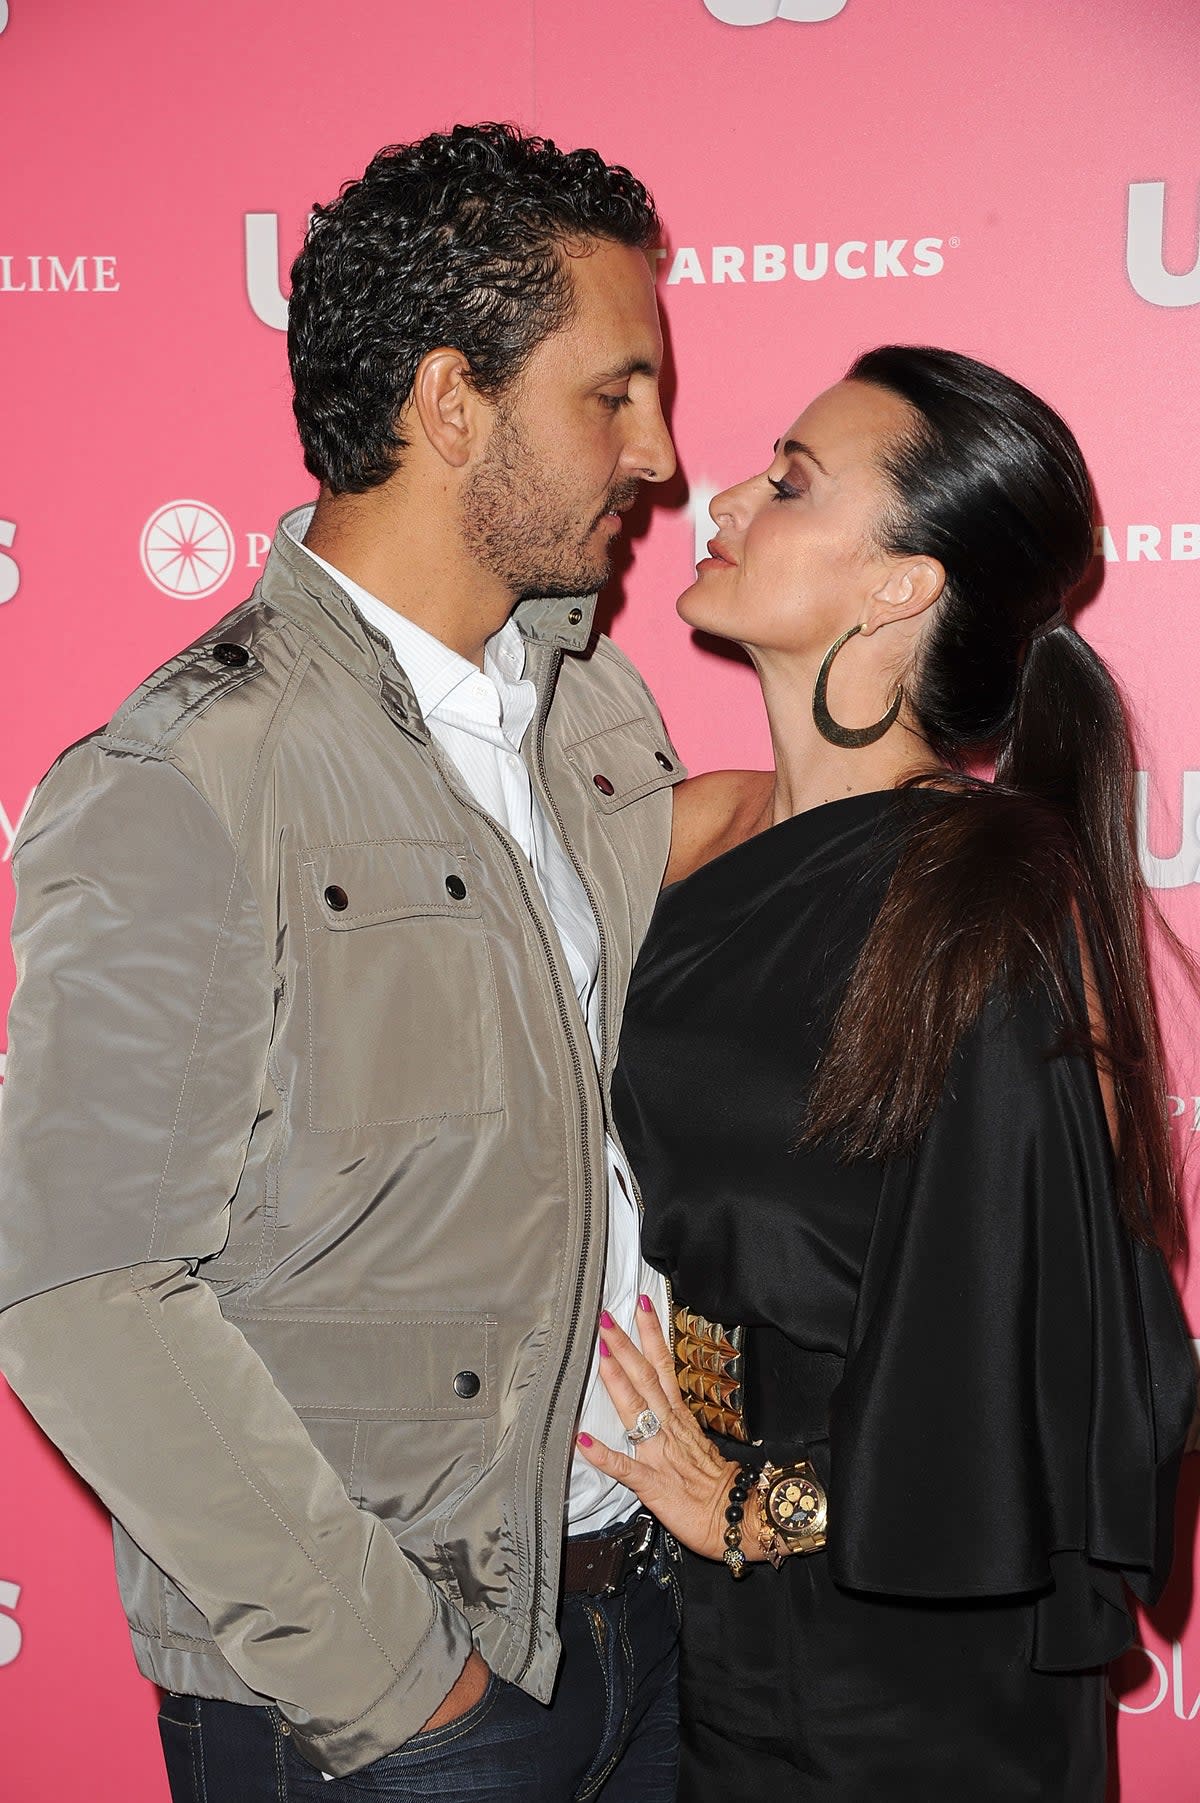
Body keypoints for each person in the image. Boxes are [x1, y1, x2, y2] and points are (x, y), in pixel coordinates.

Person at [0, 123, 685, 1799]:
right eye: (615, 392)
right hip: (394, 1717)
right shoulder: (191, 772)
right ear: (453, 405)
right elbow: (77, 1284)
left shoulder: (594, 711)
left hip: (649, 1633)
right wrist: (404, 1688)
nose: (662, 453)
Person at [576, 346, 1196, 1800]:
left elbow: (1065, 1369)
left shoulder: (986, 910)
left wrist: (756, 1506)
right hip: (694, 1626)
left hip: (910, 1665)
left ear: (902, 586)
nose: (722, 495)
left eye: (791, 483)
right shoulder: (690, 831)